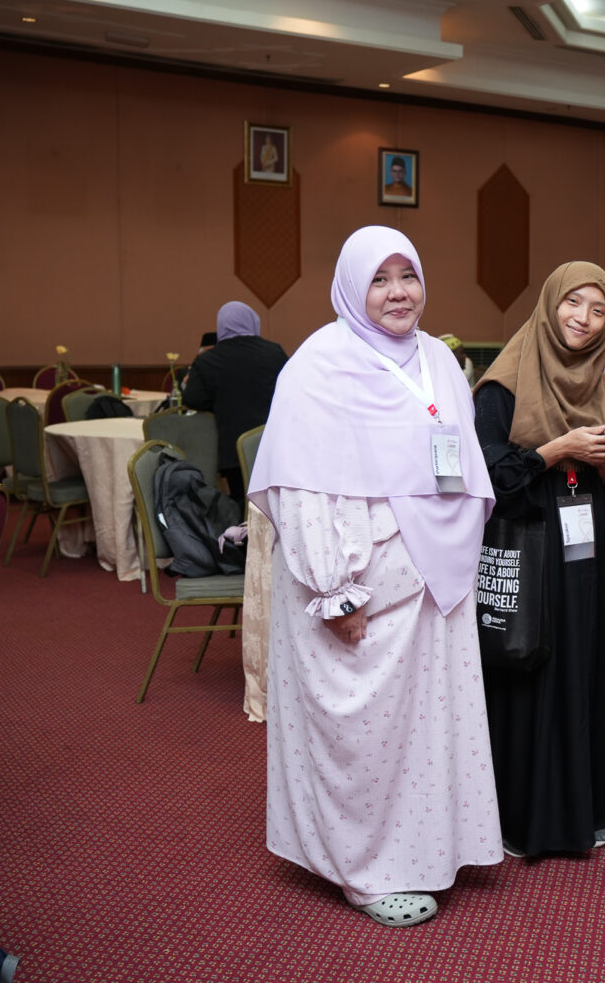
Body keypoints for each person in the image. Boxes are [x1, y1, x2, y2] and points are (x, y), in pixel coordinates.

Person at [248, 225, 499, 928]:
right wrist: (335, 591)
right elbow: (302, 490)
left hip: (433, 580)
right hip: (360, 586)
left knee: (421, 730)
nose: (397, 293)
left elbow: (460, 459)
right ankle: (363, 872)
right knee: (362, 735)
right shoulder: (319, 366)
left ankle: (422, 850)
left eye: (408, 276)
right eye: (380, 279)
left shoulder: (438, 360)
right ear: (352, 287)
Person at [473, 261, 605, 857]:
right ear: (549, 304)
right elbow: (490, 478)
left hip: (589, 546)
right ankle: (527, 818)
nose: (584, 320)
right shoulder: (504, 382)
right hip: (531, 543)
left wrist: (604, 466)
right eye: (573, 303)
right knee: (532, 668)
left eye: (598, 309)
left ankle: (585, 809)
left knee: (586, 668)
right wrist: (558, 448)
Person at [181, 301, 289, 496]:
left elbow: (192, 398)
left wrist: (219, 401)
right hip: (272, 444)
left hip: (233, 450)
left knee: (242, 500)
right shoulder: (274, 352)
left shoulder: (207, 360)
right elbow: (289, 390)